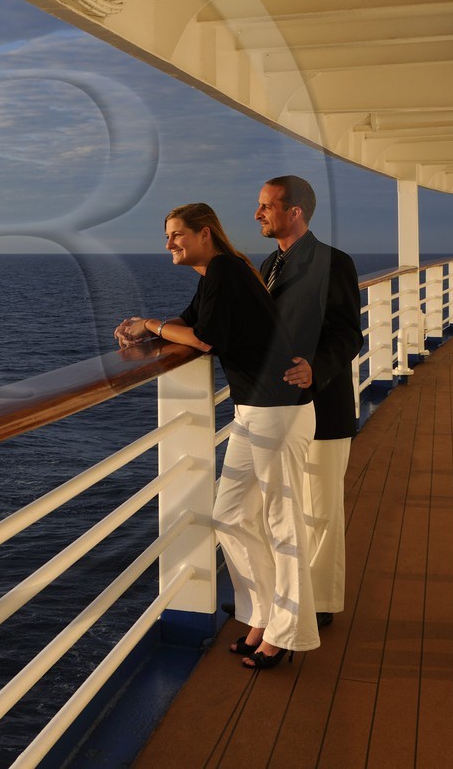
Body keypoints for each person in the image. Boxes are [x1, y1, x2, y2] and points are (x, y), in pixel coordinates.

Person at [115, 203, 319, 668]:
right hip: (254, 410)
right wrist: (142, 330)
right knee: (230, 515)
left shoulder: (226, 269)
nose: (169, 244)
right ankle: (262, 616)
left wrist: (150, 325)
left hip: (279, 412)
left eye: (176, 235)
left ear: (204, 234)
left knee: (282, 524)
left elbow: (205, 339)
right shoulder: (216, 276)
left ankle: (286, 635)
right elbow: (188, 326)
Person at [255, 176, 363, 629]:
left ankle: (319, 603)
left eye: (266, 206)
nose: (258, 214)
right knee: (282, 507)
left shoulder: (333, 263)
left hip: (322, 402)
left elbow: (347, 333)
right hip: (279, 408)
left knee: (320, 508)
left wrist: (315, 369)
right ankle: (286, 591)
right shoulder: (269, 264)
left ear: (294, 211)